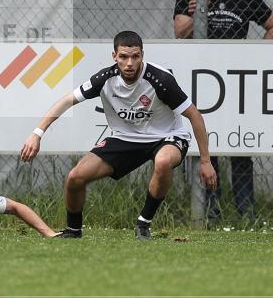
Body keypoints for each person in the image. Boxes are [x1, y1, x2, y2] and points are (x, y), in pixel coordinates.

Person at [19, 30, 217, 240]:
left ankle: (143, 224)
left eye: (135, 56)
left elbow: (195, 116)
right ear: (114, 56)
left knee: (163, 161)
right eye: (123, 57)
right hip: (125, 138)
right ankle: (73, 231)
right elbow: (66, 101)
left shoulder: (160, 80)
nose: (129, 63)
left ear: (142, 55)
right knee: (75, 177)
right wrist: (36, 133)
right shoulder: (105, 78)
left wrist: (205, 160)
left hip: (167, 136)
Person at [173, 0, 273, 222]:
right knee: (209, 148)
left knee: (240, 149)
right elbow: (179, 31)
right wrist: (195, 11)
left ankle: (247, 215)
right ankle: (213, 214)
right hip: (203, 81)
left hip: (235, 84)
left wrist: (254, 57)